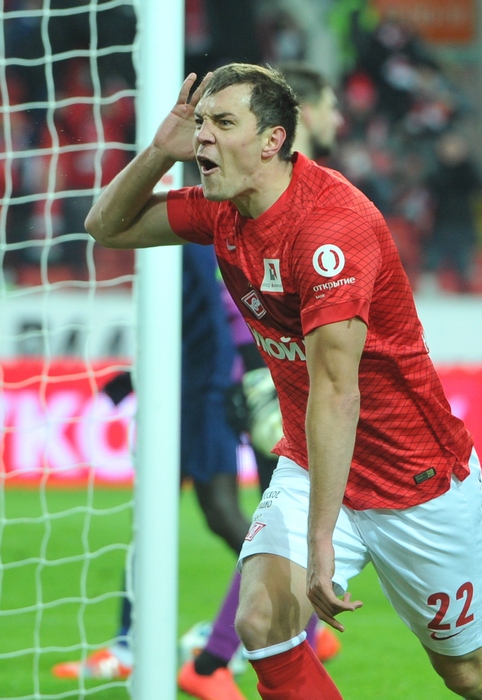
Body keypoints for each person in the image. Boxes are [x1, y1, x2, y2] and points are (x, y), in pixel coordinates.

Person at [85, 63, 482, 699]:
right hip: (314, 458)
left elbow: (337, 391)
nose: (203, 136)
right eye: (201, 122)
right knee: (263, 622)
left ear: (272, 140)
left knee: (464, 672)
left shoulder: (330, 229)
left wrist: (321, 541)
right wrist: (160, 149)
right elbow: (106, 226)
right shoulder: (224, 211)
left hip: (415, 478)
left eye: (223, 122)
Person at [177, 62, 344, 700]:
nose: (338, 117)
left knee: (290, 522)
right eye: (329, 104)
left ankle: (286, 639)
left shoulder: (316, 190)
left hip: (283, 376)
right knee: (286, 523)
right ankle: (214, 661)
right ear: (303, 114)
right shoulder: (256, 193)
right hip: (271, 378)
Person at [52, 243, 251, 682]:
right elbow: (185, 319)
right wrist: (140, 375)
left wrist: (220, 386)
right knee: (157, 517)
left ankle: (293, 608)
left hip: (203, 395)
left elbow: (206, 318)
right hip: (181, 389)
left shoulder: (188, 236)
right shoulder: (181, 239)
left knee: (220, 513)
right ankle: (128, 644)